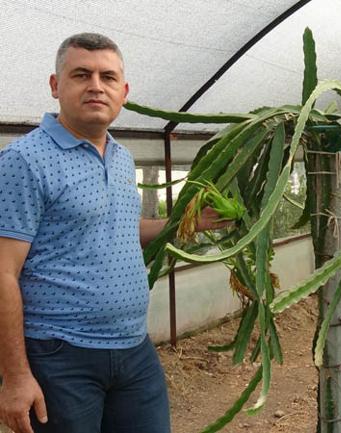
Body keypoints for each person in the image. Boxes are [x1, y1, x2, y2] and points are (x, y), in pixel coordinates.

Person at [0, 33, 228, 433]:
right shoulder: (23, 160)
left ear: (123, 91)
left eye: (108, 77)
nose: (96, 86)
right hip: (60, 355)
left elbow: (122, 229)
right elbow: (2, 272)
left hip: (134, 348)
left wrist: (189, 223)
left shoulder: (122, 157)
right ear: (56, 86)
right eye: (81, 75)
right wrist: (17, 378)